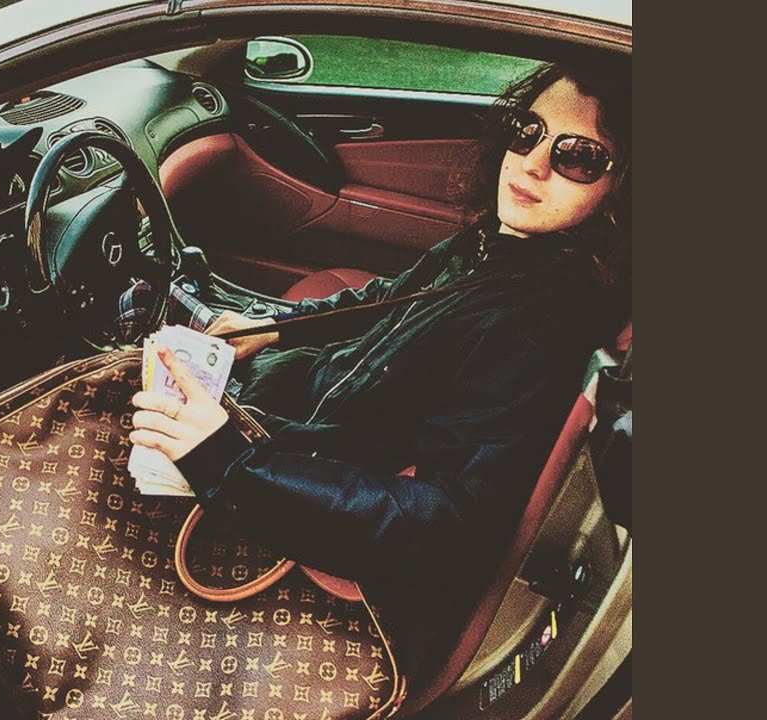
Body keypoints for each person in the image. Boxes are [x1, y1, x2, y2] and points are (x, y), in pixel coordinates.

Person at [126, 61, 631, 678]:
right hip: (314, 419)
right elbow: (389, 297)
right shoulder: (500, 247)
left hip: (307, 489)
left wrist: (228, 462)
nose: (532, 163)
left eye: (579, 157)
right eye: (527, 131)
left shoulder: (540, 322)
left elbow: (447, 524)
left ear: (623, 187)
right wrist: (275, 325)